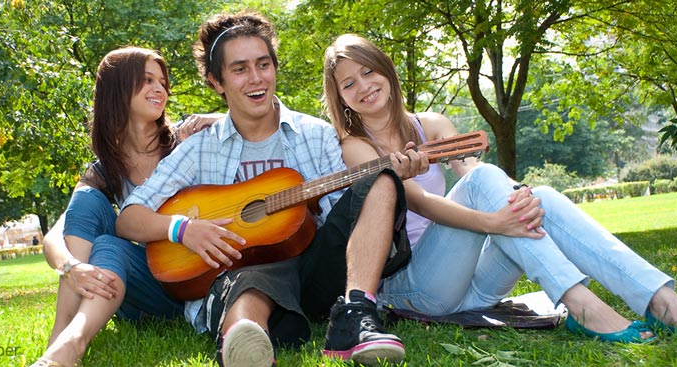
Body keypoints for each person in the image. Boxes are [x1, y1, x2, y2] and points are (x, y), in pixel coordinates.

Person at [322, 34, 677, 343]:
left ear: (386, 69)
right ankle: (582, 305)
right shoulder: (356, 148)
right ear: (340, 99)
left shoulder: (433, 124)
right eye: (348, 84)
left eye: (369, 71)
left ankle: (660, 300)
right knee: (495, 192)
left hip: (472, 285)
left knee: (541, 196)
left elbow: (474, 172)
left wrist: (516, 202)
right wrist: (495, 223)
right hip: (415, 288)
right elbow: (422, 203)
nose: (363, 86)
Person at [115, 12, 428, 367]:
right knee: (250, 280)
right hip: (245, 276)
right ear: (217, 82)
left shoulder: (317, 134)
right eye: (240, 69)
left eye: (263, 64)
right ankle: (243, 342)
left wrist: (386, 183)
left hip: (318, 270)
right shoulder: (200, 148)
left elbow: (352, 216)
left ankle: (355, 314)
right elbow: (129, 218)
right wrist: (182, 228)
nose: (256, 78)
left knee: (380, 180)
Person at [31, 47, 216, 367]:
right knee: (93, 216)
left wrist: (215, 117)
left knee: (105, 241)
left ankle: (64, 343)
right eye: (146, 80)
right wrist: (71, 268)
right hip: (147, 284)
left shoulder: (184, 140)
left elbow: (253, 120)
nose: (159, 89)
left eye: (162, 82)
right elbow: (56, 237)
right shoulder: (106, 169)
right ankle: (63, 343)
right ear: (118, 88)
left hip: (193, 281)